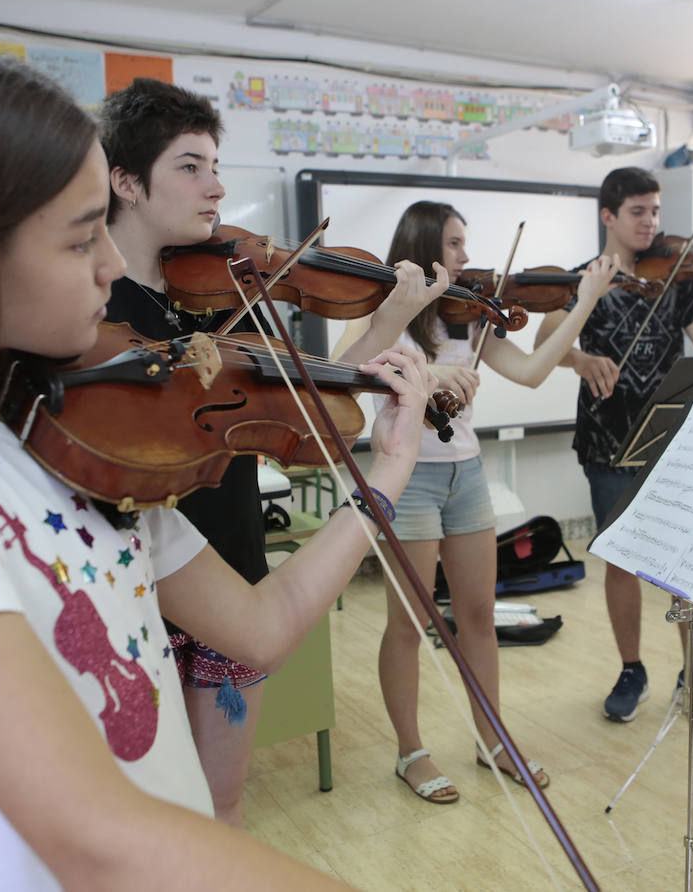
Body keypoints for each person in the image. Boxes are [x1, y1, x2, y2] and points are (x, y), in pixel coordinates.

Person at [0, 42, 434, 889]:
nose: (110, 264)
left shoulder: (73, 440)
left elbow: (261, 624)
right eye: (78, 239)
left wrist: (384, 477)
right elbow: (88, 833)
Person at [99, 78, 449, 826]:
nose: (216, 186)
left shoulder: (221, 288)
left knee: (223, 802)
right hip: (136, 594)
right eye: (190, 166)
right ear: (124, 181)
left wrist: (391, 318)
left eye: (215, 164)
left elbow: (298, 388)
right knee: (150, 813)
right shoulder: (89, 310)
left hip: (234, 564)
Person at [334, 201, 620, 802]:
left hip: (467, 476)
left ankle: (493, 741)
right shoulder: (383, 311)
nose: (469, 258)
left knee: (479, 619)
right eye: (456, 245)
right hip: (406, 481)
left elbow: (536, 370)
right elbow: (341, 373)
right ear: (424, 247)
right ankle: (410, 752)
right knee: (410, 624)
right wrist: (429, 374)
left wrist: (587, 298)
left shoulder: (472, 318)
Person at [535, 166, 693, 725]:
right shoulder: (580, 280)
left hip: (675, 438)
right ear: (609, 217)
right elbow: (545, 341)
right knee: (621, 561)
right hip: (606, 441)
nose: (651, 222)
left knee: (690, 562)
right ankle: (631, 670)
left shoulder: (679, 275)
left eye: (655, 211)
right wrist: (579, 358)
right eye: (638, 211)